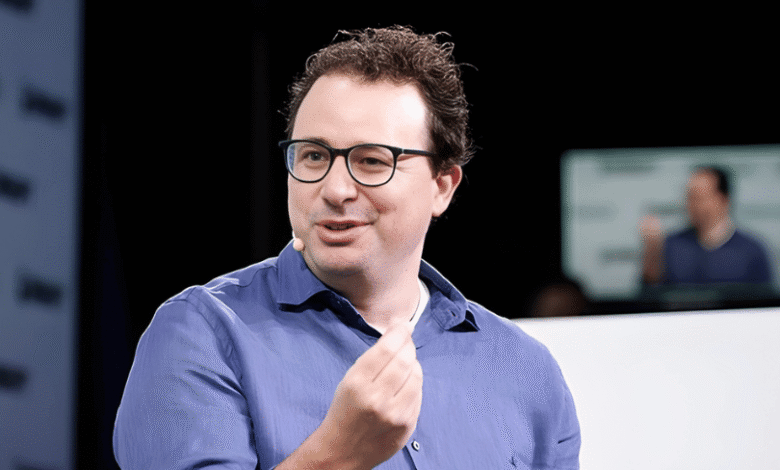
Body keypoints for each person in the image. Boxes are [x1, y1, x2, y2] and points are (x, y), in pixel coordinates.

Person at [113, 26, 580, 469]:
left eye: (372, 161)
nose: (335, 189)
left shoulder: (525, 370)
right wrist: (337, 454)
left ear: (442, 186)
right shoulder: (203, 334)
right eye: (313, 155)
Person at [641, 165, 772, 286]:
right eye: (689, 198)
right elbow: (650, 296)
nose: (692, 205)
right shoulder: (671, 246)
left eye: (699, 198)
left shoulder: (752, 252)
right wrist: (652, 252)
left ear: (723, 200)